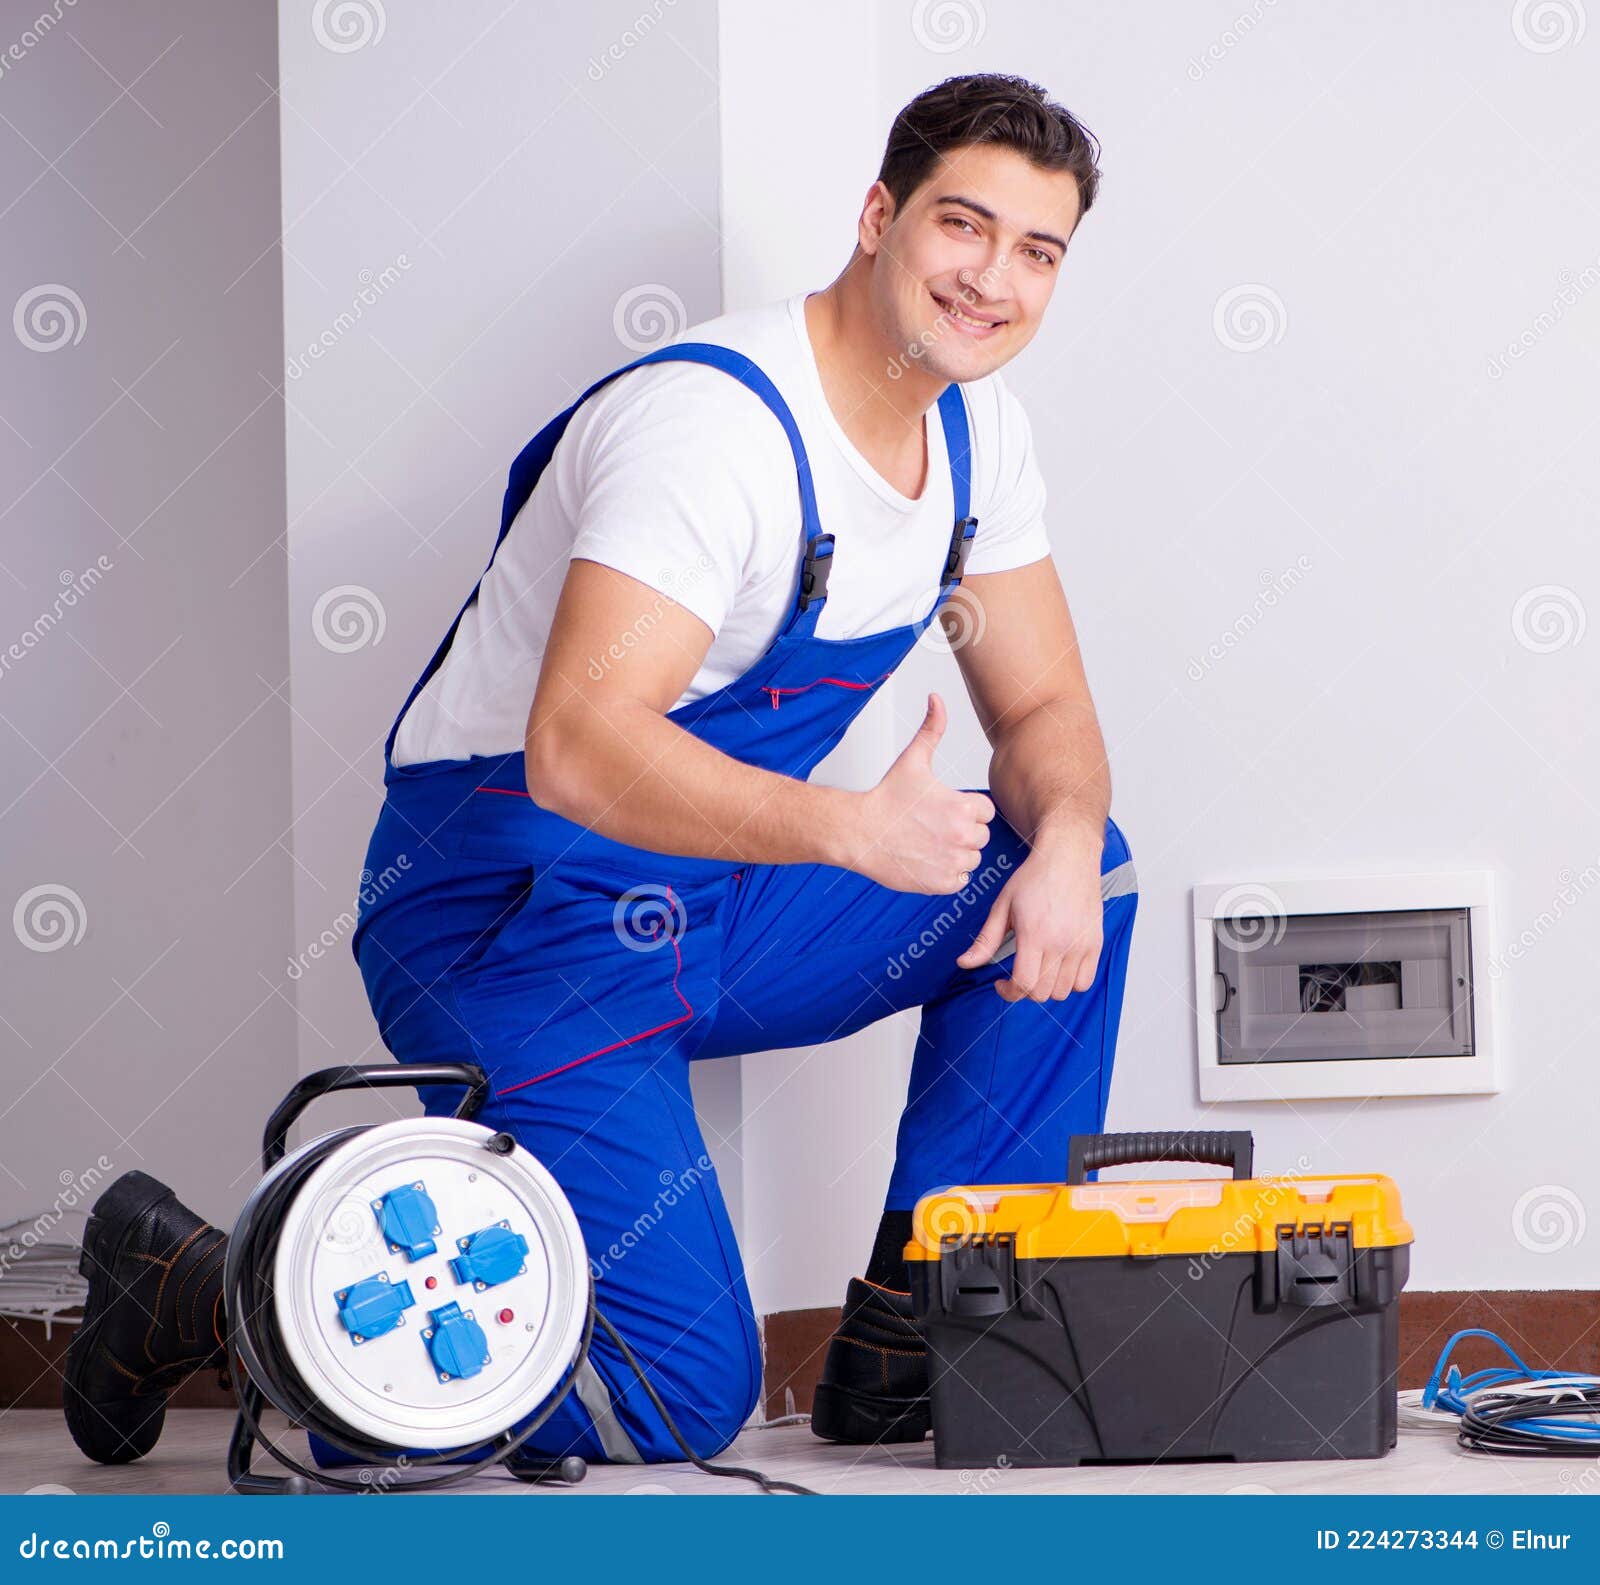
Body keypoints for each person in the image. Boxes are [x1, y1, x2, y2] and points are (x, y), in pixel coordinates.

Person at [64, 71, 1137, 1470]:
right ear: (879, 218)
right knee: (675, 1402)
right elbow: (578, 741)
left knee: (1080, 870)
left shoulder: (977, 435)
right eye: (963, 226)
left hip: (717, 893)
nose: (992, 278)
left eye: (1037, 251)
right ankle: (208, 1284)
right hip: (514, 919)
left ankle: (934, 1334)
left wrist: (1060, 843)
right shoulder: (718, 434)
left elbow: (1045, 695)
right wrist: (844, 829)